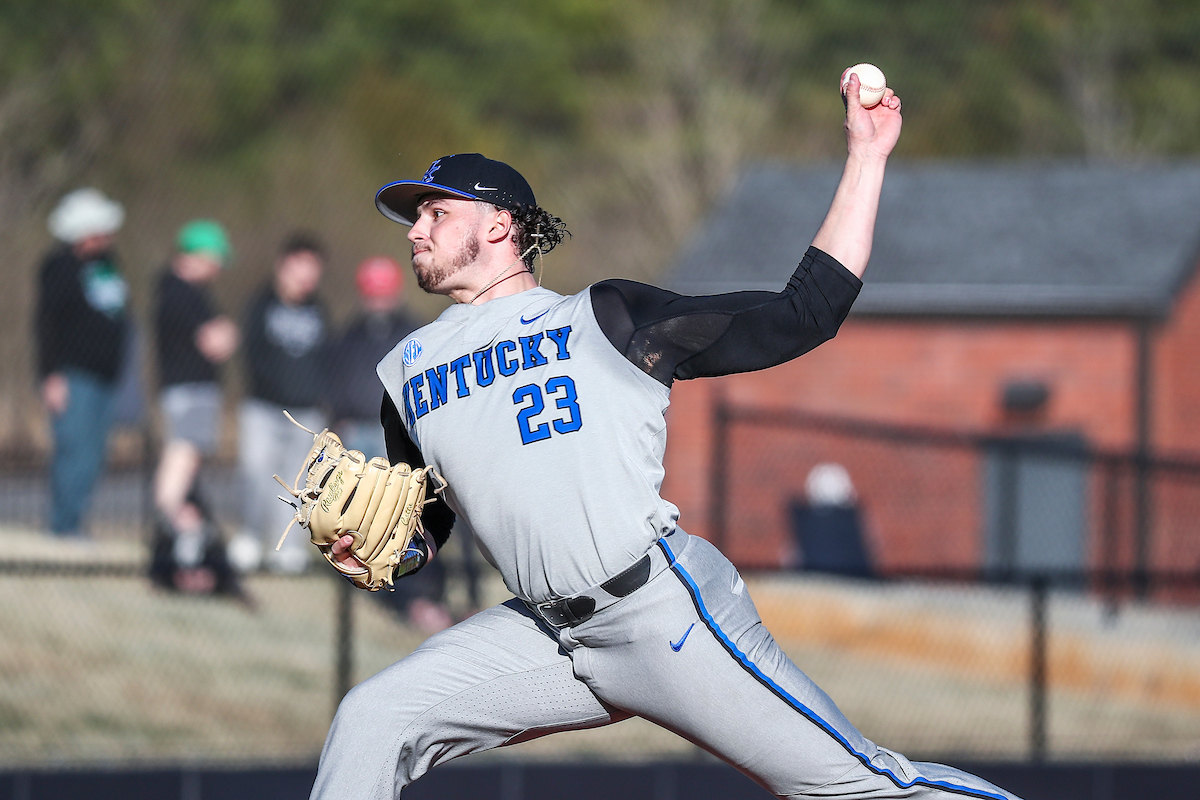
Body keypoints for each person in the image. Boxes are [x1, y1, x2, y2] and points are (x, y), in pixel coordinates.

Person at [311, 79, 1022, 800]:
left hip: (658, 611)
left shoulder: (607, 320)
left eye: (436, 211)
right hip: (547, 635)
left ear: (499, 226)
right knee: (374, 717)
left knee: (853, 786)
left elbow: (805, 312)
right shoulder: (407, 371)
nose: (414, 230)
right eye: (415, 217)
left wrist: (866, 156)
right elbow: (425, 522)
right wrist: (386, 552)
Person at [327, 256, 454, 634]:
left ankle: (405, 585)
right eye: (372, 293)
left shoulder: (414, 331)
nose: (378, 301)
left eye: (383, 293)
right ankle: (367, 578)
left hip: (396, 431)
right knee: (358, 515)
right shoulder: (349, 334)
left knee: (401, 514)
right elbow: (336, 380)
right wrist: (338, 420)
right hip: (359, 434)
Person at [149, 220, 242, 595]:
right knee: (180, 464)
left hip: (188, 391)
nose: (218, 268)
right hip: (189, 391)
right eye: (215, 259)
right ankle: (177, 531)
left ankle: (182, 528)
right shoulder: (183, 294)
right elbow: (216, 342)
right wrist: (228, 332)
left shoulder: (179, 291)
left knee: (188, 468)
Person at [233, 233, 330, 573]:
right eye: (300, 266)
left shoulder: (319, 309)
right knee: (256, 471)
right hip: (264, 407)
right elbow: (250, 355)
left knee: (298, 482)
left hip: (306, 413)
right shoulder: (260, 304)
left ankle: (284, 548)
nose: (306, 276)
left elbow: (325, 360)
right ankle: (249, 537)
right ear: (283, 265)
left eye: (313, 269)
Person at [34, 188, 129, 538]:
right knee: (74, 450)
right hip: (72, 376)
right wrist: (50, 375)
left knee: (94, 455)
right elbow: (46, 323)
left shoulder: (109, 265)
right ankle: (63, 527)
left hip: (105, 376)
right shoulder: (59, 268)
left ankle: (77, 521)